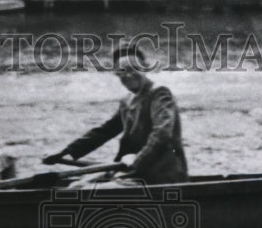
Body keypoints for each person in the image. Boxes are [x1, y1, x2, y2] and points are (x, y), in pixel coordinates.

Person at [41, 45, 188, 185]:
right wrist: (66, 153)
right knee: (76, 186)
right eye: (123, 70)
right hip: (133, 171)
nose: (129, 75)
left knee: (87, 191)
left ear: (145, 67)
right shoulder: (127, 101)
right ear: (117, 74)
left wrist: (136, 162)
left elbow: (162, 134)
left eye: (134, 68)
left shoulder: (159, 93)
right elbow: (104, 132)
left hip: (162, 174)